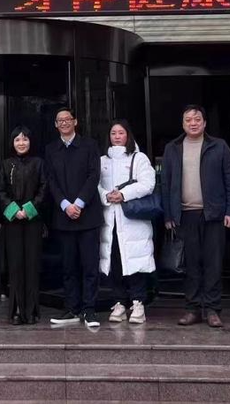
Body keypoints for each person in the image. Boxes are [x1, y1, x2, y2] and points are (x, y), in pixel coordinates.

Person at [161, 104, 230, 328]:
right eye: (188, 120)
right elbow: (165, 183)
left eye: (197, 119)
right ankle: (192, 308)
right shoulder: (173, 148)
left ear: (204, 123)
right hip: (184, 215)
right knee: (191, 264)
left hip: (213, 214)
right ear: (182, 123)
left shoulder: (219, 146)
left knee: (213, 263)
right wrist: (168, 214)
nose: (193, 123)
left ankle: (213, 309)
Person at [45, 107, 103, 328]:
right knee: (68, 266)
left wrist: (78, 203)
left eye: (67, 119)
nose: (64, 123)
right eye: (59, 120)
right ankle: (72, 308)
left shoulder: (90, 145)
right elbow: (50, 180)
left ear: (75, 121)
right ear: (55, 124)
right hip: (63, 216)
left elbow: (94, 176)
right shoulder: (51, 149)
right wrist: (64, 205)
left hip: (87, 216)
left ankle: (89, 310)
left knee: (90, 266)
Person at [99, 119, 155, 325]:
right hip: (110, 220)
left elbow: (148, 183)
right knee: (114, 261)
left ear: (128, 135)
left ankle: (138, 303)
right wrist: (106, 195)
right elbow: (95, 185)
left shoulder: (139, 158)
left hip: (132, 220)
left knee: (134, 261)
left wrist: (123, 194)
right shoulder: (102, 161)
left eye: (121, 133)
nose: (117, 137)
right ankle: (119, 302)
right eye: (113, 133)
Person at [0, 126, 46, 325]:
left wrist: (29, 209)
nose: (21, 143)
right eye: (17, 139)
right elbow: (0, 191)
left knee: (32, 264)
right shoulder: (5, 164)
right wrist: (13, 210)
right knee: (15, 265)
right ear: (12, 143)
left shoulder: (39, 163)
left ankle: (31, 310)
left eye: (25, 139)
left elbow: (44, 188)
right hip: (12, 221)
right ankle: (16, 309)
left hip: (33, 220)